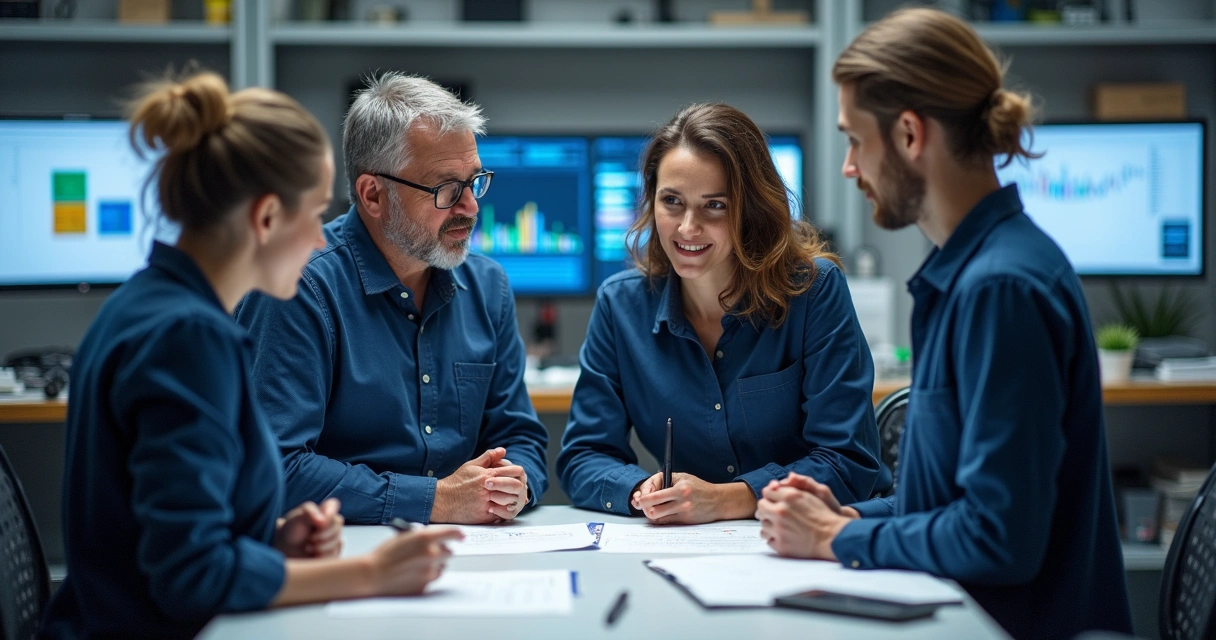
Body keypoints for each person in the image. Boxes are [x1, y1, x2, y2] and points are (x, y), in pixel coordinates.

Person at [39, 72, 462, 639]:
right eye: (313, 215)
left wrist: (269, 540)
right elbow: (190, 577)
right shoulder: (187, 338)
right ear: (265, 219)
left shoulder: (151, 304)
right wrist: (369, 574)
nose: (320, 240)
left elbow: (165, 526)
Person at [755, 9, 1134, 640]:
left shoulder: (1000, 289)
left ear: (909, 134)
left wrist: (836, 538)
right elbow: (948, 507)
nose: (849, 167)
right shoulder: (970, 274)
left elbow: (997, 537)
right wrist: (849, 517)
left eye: (855, 140)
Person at [234, 72, 548, 526]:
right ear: (373, 195)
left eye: (475, 181)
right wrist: (435, 500)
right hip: (341, 546)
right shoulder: (296, 288)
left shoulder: (486, 285)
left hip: (470, 546)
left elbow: (521, 436)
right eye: (447, 189)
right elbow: (274, 468)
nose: (471, 207)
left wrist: (514, 486)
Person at [557, 103, 890, 524]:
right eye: (672, 201)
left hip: (817, 535)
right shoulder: (620, 306)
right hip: (695, 544)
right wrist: (641, 491)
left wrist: (726, 499)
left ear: (751, 209)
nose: (687, 228)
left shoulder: (814, 290)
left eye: (714, 205)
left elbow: (846, 461)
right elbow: (584, 455)